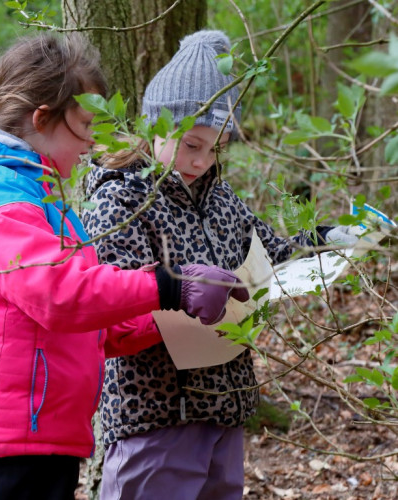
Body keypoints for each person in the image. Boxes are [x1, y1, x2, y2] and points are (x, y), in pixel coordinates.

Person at [0, 33, 248, 500]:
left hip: (41, 436)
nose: (94, 143)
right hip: (1, 441)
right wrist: (170, 286)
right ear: (42, 118)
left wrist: (174, 318)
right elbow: (57, 294)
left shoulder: (37, 194)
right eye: (84, 126)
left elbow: (92, 325)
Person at [83, 30, 358, 500]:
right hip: (156, 412)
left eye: (215, 148)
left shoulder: (221, 197)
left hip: (224, 407)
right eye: (191, 145)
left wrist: (323, 242)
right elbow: (110, 307)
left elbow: (271, 254)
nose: (201, 160)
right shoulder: (121, 199)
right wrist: (188, 304)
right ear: (155, 125)